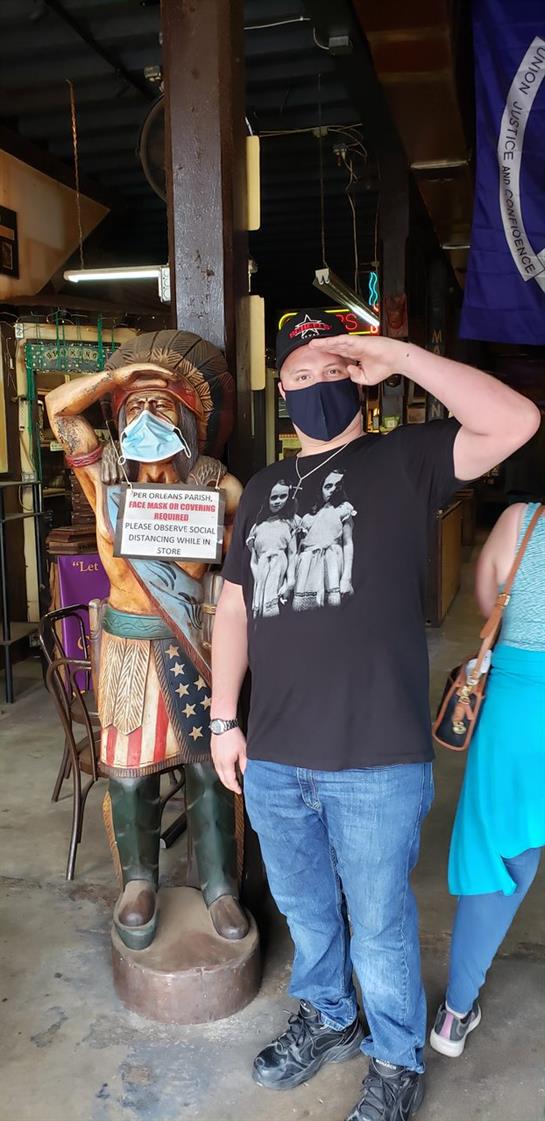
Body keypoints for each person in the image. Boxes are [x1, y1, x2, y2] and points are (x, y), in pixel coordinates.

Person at [209, 308, 539, 1121]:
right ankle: (330, 1016)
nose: (315, 386)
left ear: (358, 377)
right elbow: (232, 609)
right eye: (299, 374)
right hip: (277, 754)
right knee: (307, 909)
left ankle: (396, 1060)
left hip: (377, 762)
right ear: (277, 389)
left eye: (331, 370)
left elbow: (515, 421)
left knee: (381, 922)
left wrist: (393, 353)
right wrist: (223, 718)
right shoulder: (259, 492)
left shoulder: (403, 463)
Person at [46, 329, 249, 949]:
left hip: (192, 641)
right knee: (130, 777)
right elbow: (59, 411)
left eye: (162, 406)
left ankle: (219, 886)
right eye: (133, 410)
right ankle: (139, 881)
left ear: (190, 420)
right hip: (130, 647)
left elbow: (244, 552)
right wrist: (119, 379)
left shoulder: (217, 488)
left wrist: (216, 523)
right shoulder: (105, 484)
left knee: (208, 774)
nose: (145, 417)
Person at [430, 501, 545, 1058]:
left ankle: (454, 1015)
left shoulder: (522, 521)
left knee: (499, 853)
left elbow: (486, 600)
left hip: (519, 707)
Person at [294, 468, 356, 611]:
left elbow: (348, 543)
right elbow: (298, 548)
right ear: (320, 488)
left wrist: (346, 577)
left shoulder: (343, 510)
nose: (333, 490)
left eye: (337, 486)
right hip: (308, 568)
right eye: (328, 486)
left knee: (333, 611)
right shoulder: (308, 518)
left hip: (332, 564)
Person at [246, 479, 299, 617]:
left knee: (280, 613)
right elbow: (254, 560)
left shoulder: (290, 522)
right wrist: (259, 579)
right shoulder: (257, 527)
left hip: (281, 572)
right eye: (274, 497)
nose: (278, 501)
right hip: (261, 575)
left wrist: (290, 581)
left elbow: (292, 554)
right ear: (266, 498)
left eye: (283, 496)